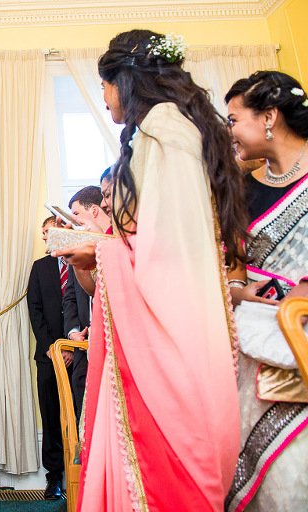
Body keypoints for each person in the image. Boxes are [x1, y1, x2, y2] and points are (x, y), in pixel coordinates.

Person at [52, 30, 249, 510]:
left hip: (170, 341)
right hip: (169, 332)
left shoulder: (164, 131)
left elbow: (169, 257)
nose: (102, 98)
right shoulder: (167, 129)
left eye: (104, 85)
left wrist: (102, 252)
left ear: (126, 79)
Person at [223, 70, 308, 511]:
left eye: (235, 119)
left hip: (299, 342)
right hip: (249, 347)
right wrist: (237, 289)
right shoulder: (242, 188)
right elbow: (233, 262)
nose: (229, 131)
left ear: (270, 116)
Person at [26, 215, 68, 501]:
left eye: (48, 231)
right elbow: (35, 311)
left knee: (78, 416)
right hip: (48, 356)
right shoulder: (39, 268)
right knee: (51, 416)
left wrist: (73, 348)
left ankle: (83, 472)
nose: (44, 237)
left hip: (82, 354)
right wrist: (54, 348)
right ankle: (53, 478)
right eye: (42, 233)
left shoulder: (82, 264)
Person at [61, 184, 110, 422]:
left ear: (95, 210)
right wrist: (72, 332)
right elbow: (73, 294)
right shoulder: (80, 246)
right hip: (84, 341)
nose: (73, 220)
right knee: (85, 406)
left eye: (76, 213)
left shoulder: (115, 242)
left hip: (111, 342)